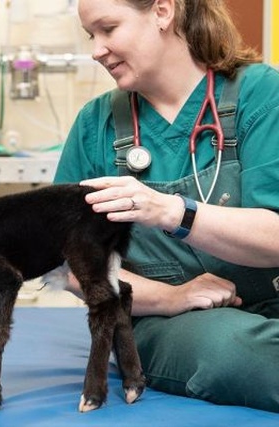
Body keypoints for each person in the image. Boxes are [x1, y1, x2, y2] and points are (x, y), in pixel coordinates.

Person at [54, 0, 279, 413]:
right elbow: (68, 267)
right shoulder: (96, 125)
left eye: (108, 28)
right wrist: (171, 298)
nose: (96, 49)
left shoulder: (261, 93)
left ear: (162, 11)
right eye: (91, 35)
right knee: (230, 350)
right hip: (168, 324)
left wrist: (173, 212)